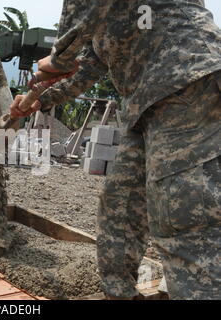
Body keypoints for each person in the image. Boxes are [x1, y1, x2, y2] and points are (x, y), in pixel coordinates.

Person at [11, 0, 221, 299]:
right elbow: (86, 70)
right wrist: (38, 100)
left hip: (189, 80)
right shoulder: (102, 25)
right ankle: (119, 294)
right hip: (145, 106)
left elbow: (79, 24)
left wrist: (59, 56)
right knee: (119, 207)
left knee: (184, 216)